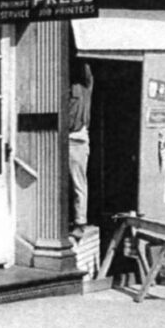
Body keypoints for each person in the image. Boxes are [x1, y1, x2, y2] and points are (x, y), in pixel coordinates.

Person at [68, 61, 94, 240]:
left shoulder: (83, 86)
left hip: (76, 138)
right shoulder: (79, 88)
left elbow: (86, 71)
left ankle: (79, 222)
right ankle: (76, 221)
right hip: (66, 138)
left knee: (78, 183)